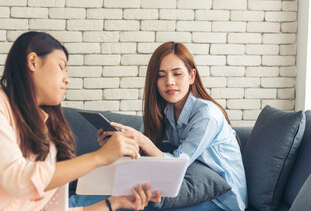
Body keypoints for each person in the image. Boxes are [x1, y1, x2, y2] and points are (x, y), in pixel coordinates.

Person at [0, 31, 160, 211]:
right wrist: (100, 157)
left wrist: (114, 203)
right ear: (33, 61)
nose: (67, 78)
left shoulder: (47, 135)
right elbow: (18, 179)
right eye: (61, 66)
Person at [98, 42, 247, 211]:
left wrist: (144, 141)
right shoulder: (168, 111)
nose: (169, 82)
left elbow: (178, 162)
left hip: (223, 199)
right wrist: (118, 146)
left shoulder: (207, 116)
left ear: (191, 76)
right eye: (161, 76)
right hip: (192, 183)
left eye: (177, 74)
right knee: (122, 197)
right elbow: (145, 154)